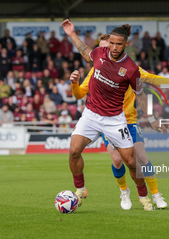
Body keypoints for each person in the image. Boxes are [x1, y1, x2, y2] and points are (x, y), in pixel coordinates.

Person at [71, 34, 169, 210]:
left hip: (128, 120)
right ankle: (124, 192)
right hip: (105, 120)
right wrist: (74, 84)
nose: (109, 51)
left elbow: (150, 81)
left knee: (141, 158)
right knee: (116, 160)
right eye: (106, 47)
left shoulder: (130, 69)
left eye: (112, 46)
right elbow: (78, 94)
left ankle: (156, 195)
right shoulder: (94, 72)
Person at [62, 20, 156, 210]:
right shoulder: (99, 54)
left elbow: (141, 94)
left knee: (130, 161)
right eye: (111, 43)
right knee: (73, 151)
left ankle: (143, 196)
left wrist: (153, 119)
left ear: (126, 44)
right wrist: (71, 33)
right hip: (91, 114)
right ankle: (80, 190)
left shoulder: (131, 68)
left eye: (118, 44)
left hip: (114, 119)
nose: (113, 47)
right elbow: (84, 51)